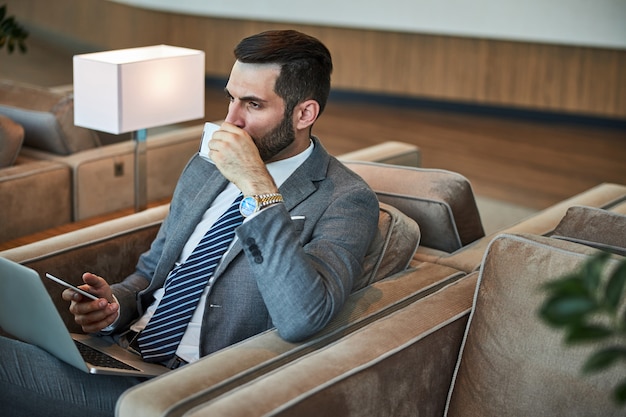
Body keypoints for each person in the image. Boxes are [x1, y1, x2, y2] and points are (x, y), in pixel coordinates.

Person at [0, 29, 379, 417]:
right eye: (230, 98)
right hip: (125, 354)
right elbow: (152, 271)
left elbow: (303, 317)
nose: (231, 120)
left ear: (305, 113)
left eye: (252, 104)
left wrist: (258, 186)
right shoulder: (206, 165)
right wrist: (114, 305)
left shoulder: (345, 199)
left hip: (188, 386)